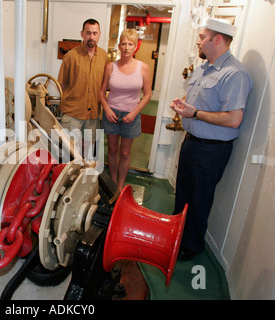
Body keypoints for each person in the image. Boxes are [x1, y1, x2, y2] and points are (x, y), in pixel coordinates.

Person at [170, 18, 253, 261]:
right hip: (191, 142)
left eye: (202, 37)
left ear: (217, 39)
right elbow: (197, 99)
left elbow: (233, 119)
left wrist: (194, 113)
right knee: (183, 193)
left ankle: (190, 246)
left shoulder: (235, 74)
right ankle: (175, 235)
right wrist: (183, 104)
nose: (198, 41)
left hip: (211, 150)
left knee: (199, 198)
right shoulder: (204, 68)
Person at [99, 28, 151, 190]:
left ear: (136, 47)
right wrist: (107, 109)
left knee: (125, 153)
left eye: (130, 44)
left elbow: (148, 94)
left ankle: (121, 185)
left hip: (132, 115)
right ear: (119, 46)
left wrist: (134, 113)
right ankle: (113, 182)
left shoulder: (143, 68)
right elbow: (101, 92)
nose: (127, 47)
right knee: (113, 150)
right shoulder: (110, 67)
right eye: (123, 44)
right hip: (111, 114)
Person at [57, 19, 108, 156]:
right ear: (82, 34)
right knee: (70, 151)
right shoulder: (70, 56)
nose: (91, 37)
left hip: (93, 115)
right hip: (73, 114)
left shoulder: (104, 56)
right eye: (88, 33)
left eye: (95, 33)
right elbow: (61, 84)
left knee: (88, 151)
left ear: (99, 34)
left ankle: (84, 177)